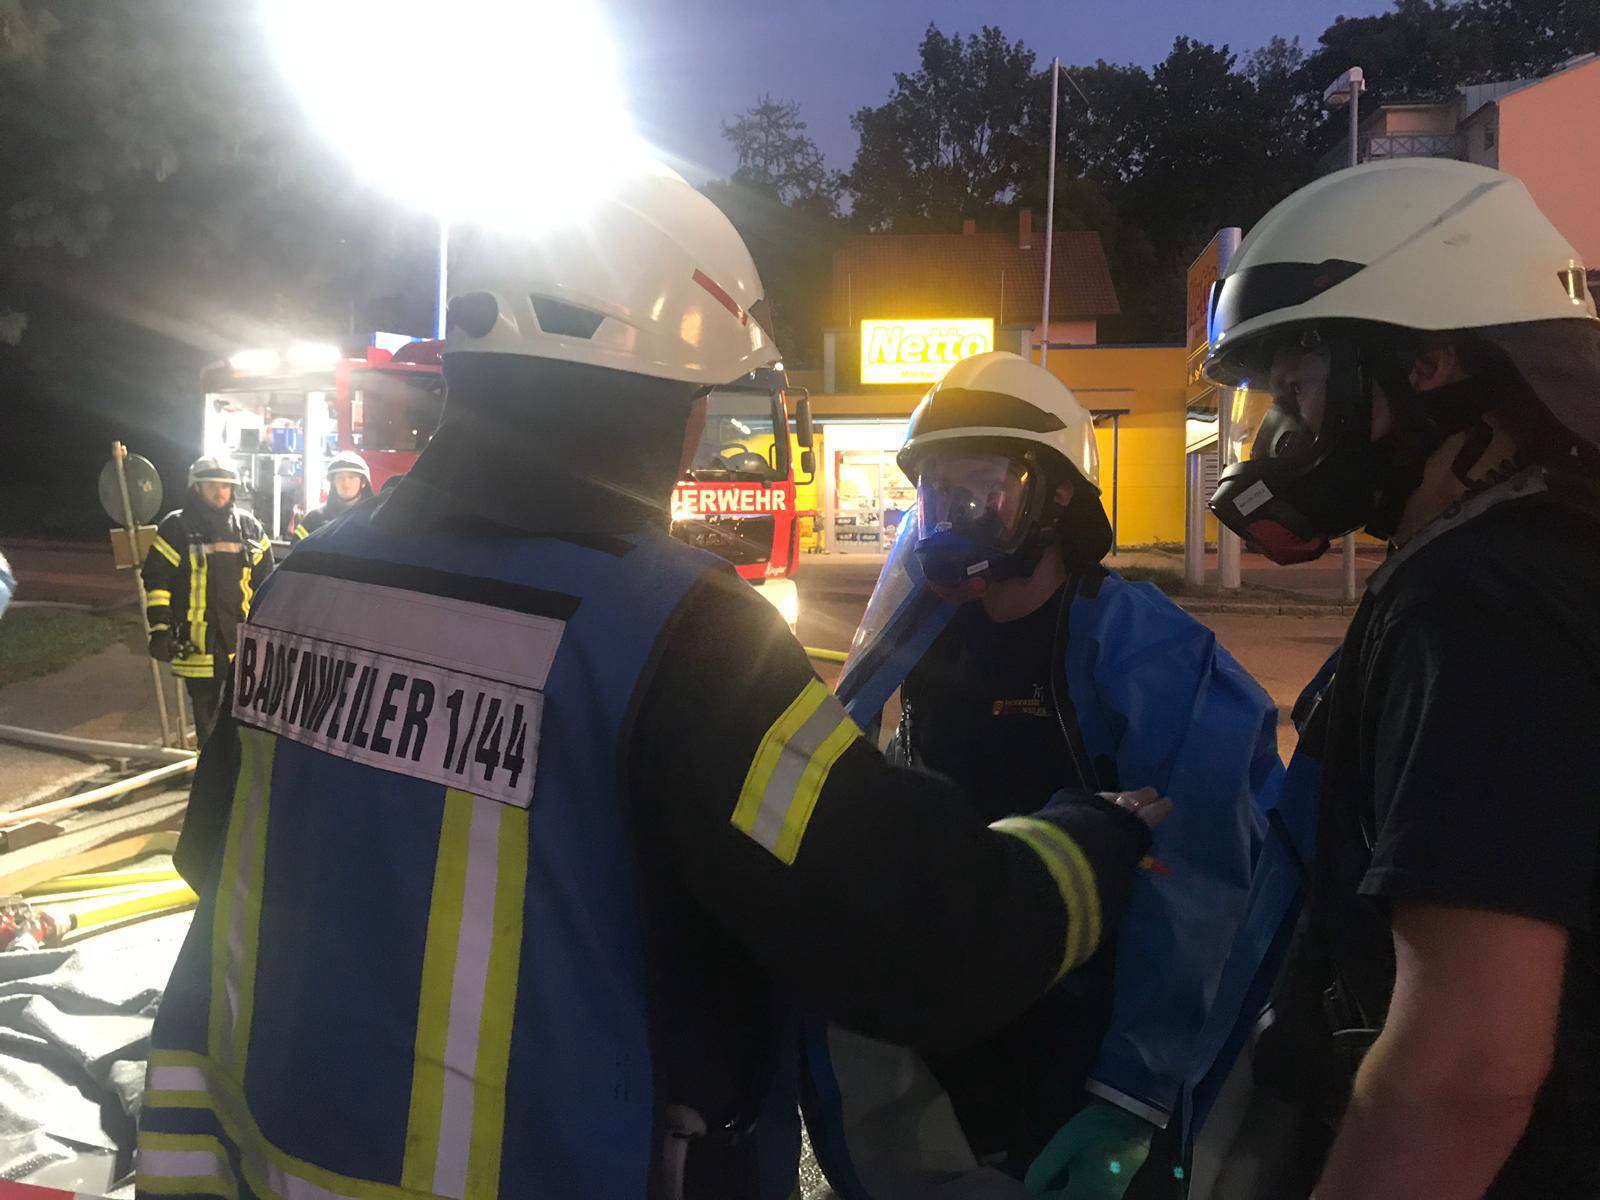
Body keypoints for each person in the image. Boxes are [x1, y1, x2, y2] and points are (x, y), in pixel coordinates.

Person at [135, 162, 1171, 1200]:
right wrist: (1093, 842)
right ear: (674, 407)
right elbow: (920, 939)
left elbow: (217, 867)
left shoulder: (303, 586)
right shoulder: (678, 632)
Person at [1202, 158, 1600, 1199]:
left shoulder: (1477, 604)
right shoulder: (1553, 556)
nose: (1276, 438)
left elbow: (1465, 1069)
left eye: (1296, 390)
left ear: (1426, 364)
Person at [804, 352, 1283, 1199]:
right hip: (961, 1017)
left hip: (1087, 1035)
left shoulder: (1143, 648)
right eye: (938, 491)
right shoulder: (923, 636)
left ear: (1058, 498)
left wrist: (1131, 1096)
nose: (953, 516)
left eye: (983, 489)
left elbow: (1205, 877)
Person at [142, 456, 273, 745]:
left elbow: (268, 583)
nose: (219, 491)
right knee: (208, 725)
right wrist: (160, 629)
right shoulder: (177, 527)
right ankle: (208, 771)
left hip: (243, 645)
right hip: (197, 646)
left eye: (225, 485)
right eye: (211, 484)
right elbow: (157, 580)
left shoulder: (249, 527)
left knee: (247, 724)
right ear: (196, 488)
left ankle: (235, 771)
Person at [293, 450, 375, 540]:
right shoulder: (314, 519)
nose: (345, 482)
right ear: (333, 483)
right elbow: (297, 546)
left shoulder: (375, 518)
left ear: (363, 482)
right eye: (340, 477)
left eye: (351, 477)